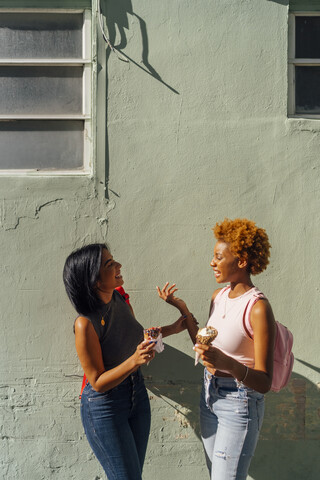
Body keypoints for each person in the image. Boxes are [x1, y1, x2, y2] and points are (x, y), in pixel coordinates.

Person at [157, 218, 276, 480]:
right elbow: (203, 348)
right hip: (209, 395)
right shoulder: (218, 297)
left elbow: (265, 382)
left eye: (219, 257)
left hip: (239, 401)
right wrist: (182, 309)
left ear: (242, 261)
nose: (212, 262)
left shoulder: (257, 308)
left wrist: (228, 363)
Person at [63, 243, 186, 480]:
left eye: (113, 260)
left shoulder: (119, 298)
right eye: (109, 264)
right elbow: (97, 381)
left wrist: (172, 328)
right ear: (94, 281)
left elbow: (134, 337)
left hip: (136, 395)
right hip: (105, 407)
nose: (118, 266)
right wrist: (134, 361)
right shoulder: (85, 324)